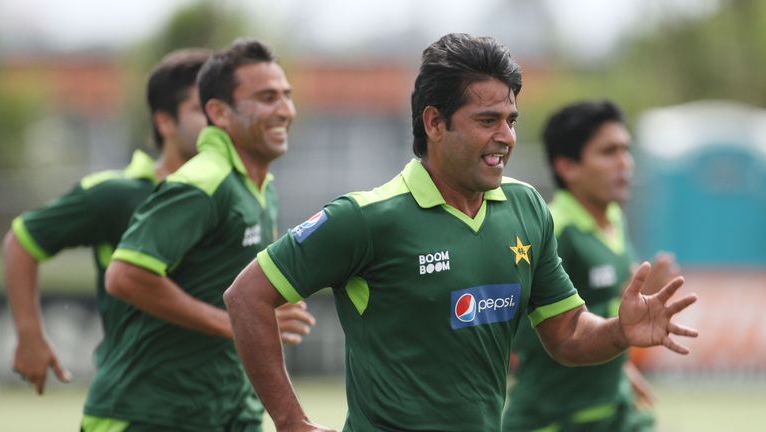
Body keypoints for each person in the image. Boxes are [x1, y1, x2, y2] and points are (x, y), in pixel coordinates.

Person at [223, 33, 698, 432]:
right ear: (434, 122)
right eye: (487, 120)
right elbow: (247, 296)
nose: (506, 136)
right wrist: (289, 420)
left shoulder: (526, 208)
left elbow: (567, 333)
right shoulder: (366, 218)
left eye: (511, 120)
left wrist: (619, 330)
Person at [87, 38, 307, 432]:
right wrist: (233, 322)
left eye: (286, 96)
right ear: (220, 113)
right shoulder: (203, 182)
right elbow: (124, 275)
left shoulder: (260, 186)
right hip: (148, 414)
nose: (284, 110)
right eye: (267, 97)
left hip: (225, 410)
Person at [3, 48, 211, 395]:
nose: (218, 118)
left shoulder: (243, 194)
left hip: (225, 407)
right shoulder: (115, 194)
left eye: (224, 105)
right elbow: (21, 241)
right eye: (201, 108)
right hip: (135, 403)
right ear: (165, 121)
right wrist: (28, 333)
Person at [503, 100, 680, 432]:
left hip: (613, 411)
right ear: (567, 166)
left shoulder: (613, 219)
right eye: (608, 152)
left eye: (626, 149)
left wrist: (620, 366)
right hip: (554, 419)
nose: (624, 162)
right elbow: (529, 331)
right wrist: (623, 320)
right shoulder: (553, 230)